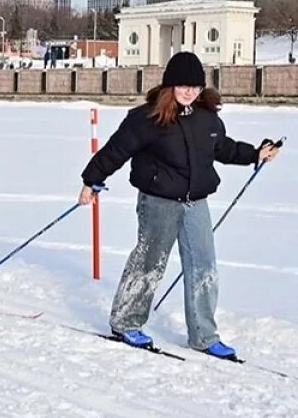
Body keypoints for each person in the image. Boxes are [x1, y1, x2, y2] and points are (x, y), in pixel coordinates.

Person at [79, 51, 281, 359]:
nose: (190, 91)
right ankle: (126, 323)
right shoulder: (147, 118)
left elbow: (222, 148)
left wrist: (255, 154)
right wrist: (91, 180)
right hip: (158, 202)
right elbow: (115, 151)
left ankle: (203, 335)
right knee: (149, 263)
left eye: (196, 86)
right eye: (183, 85)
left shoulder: (207, 118)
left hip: (195, 203)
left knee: (204, 268)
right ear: (170, 85)